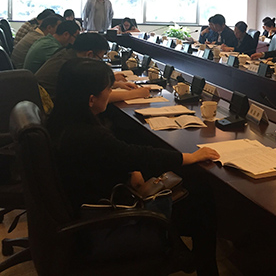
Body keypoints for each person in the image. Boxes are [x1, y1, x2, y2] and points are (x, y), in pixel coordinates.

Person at [46, 58, 221, 275]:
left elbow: (121, 156)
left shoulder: (60, 122)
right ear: (91, 99)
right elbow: (136, 155)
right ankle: (197, 263)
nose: (111, 93)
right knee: (200, 197)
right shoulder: (87, 135)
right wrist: (189, 157)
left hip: (90, 203)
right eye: (108, 89)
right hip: (107, 222)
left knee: (188, 185)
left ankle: (185, 253)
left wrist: (130, 169)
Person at [36, 32, 150, 102]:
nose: (100, 62)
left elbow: (88, 84)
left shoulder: (67, 54)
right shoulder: (72, 66)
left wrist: (116, 84)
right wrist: (136, 93)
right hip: (53, 110)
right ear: (89, 54)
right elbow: (96, 99)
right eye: (100, 57)